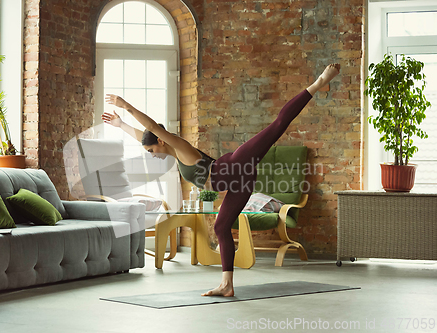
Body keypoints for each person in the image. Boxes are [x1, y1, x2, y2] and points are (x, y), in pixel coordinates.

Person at [102, 63, 341, 297]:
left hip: (236, 165)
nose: (151, 154)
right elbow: (144, 136)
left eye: (151, 150)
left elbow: (152, 127)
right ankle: (227, 284)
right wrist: (121, 124)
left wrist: (126, 106)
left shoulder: (181, 147)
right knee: (221, 227)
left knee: (277, 127)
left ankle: (319, 82)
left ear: (162, 141)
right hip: (239, 182)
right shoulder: (174, 154)